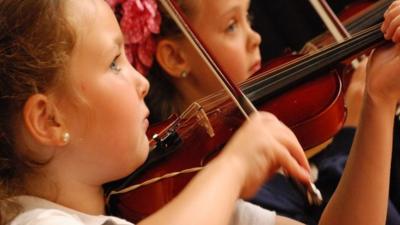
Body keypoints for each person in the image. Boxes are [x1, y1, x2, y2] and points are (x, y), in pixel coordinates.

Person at [0, 1, 399, 225]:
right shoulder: (34, 222)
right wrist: (235, 167)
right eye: (113, 63)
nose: (141, 80)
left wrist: (378, 103)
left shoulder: (169, 197)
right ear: (50, 121)